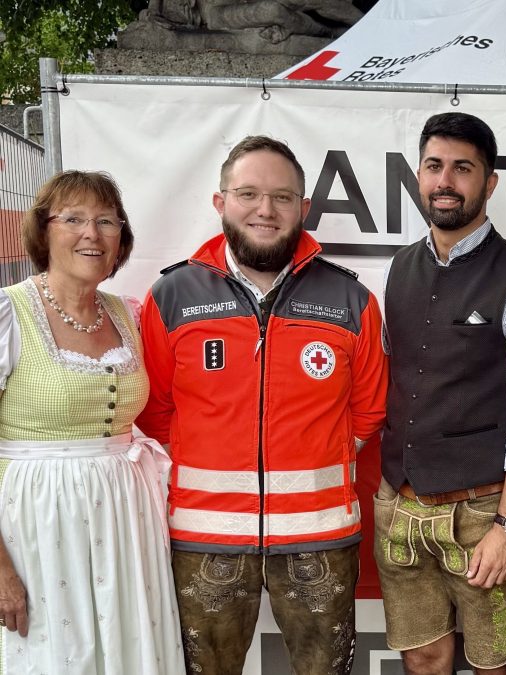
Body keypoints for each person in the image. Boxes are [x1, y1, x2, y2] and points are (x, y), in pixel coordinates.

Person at [137, 135, 388, 675]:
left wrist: (324, 458)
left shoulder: (352, 301)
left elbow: (368, 409)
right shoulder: (173, 296)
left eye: (282, 196)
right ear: (220, 202)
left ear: (304, 207)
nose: (265, 210)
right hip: (204, 538)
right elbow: (153, 410)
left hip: (320, 537)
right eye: (248, 193)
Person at [375, 111, 506, 675]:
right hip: (401, 505)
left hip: (483, 511)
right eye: (434, 166)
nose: (445, 181)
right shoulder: (398, 267)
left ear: (490, 183)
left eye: (462, 168)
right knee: (424, 657)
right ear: (418, 174)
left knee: (491, 665)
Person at [0, 171, 184, 672]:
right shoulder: (10, 312)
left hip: (126, 515)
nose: (92, 233)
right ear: (44, 230)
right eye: (74, 219)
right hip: (38, 519)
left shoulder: (129, 314)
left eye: (107, 221)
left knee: (126, 650)